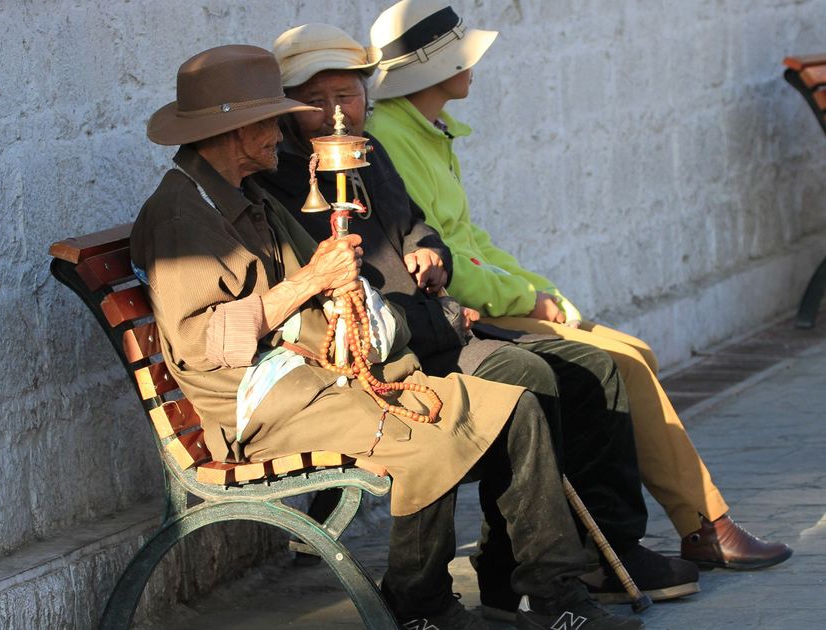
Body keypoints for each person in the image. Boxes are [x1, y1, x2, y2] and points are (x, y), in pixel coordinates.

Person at [131, 44, 643, 630]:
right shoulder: (181, 214)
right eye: (270, 120)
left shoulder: (243, 194)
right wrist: (309, 282)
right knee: (429, 436)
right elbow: (202, 343)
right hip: (260, 403)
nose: (282, 130)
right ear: (235, 129)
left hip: (313, 375)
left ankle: (553, 597)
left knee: (516, 407)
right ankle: (419, 605)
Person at [257, 23, 700, 619]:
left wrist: (429, 250)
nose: (337, 115)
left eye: (348, 96)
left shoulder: (371, 153)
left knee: (593, 369)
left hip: (432, 323)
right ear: (287, 108)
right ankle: (529, 578)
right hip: (393, 347)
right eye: (317, 100)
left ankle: (604, 547)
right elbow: (336, 299)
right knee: (523, 378)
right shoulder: (278, 177)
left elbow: (415, 223)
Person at [364, 0, 792, 573]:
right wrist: (526, 299)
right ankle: (699, 526)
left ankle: (688, 526)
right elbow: (443, 262)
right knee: (622, 368)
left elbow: (473, 239)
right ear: (432, 70)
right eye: (463, 58)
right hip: (456, 314)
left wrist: (545, 292)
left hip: (489, 296)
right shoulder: (390, 137)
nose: (474, 67)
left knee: (636, 352)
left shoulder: (428, 129)